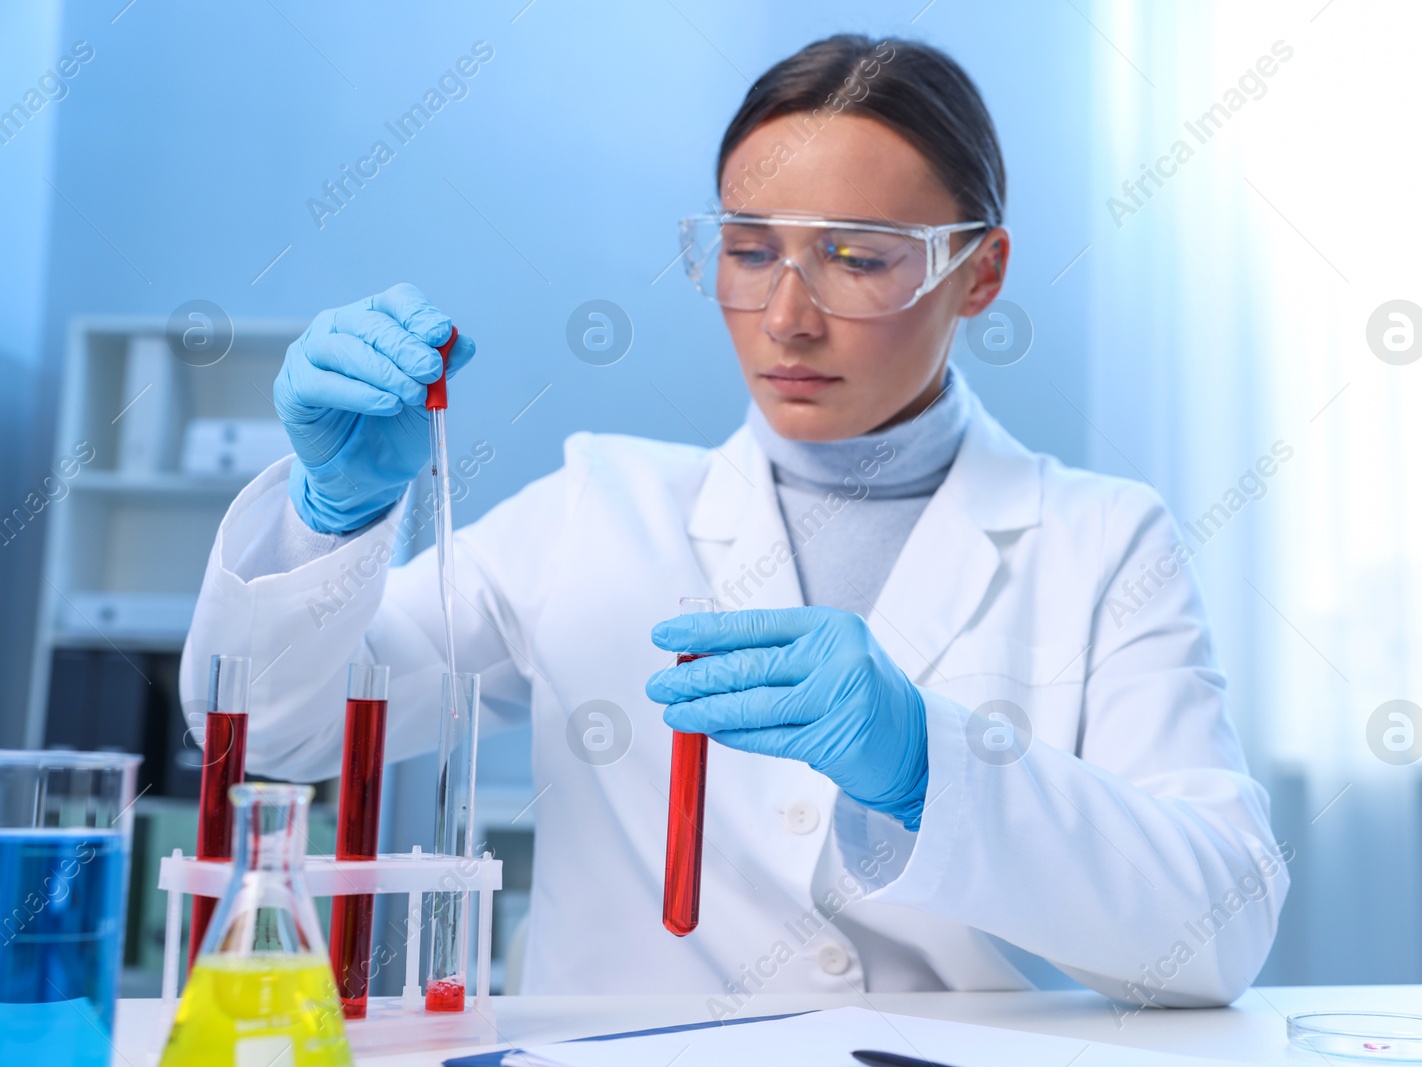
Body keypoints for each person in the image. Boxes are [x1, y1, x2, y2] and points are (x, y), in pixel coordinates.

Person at [182, 34, 1286, 1007]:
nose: (789, 318)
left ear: (978, 271)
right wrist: (335, 517)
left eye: (856, 257)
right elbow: (275, 734)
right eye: (751, 250)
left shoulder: (1100, 541)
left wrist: (925, 761)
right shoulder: (596, 506)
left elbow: (1216, 930)